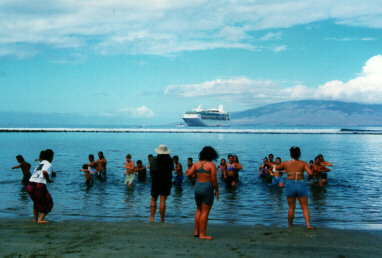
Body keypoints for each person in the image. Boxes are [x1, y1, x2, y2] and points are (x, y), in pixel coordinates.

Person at [273, 146, 314, 229]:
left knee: (291, 208)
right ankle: (308, 225)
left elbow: (275, 168)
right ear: (299, 154)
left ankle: (290, 225)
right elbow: (310, 173)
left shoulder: (286, 163)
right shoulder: (303, 163)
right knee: (305, 207)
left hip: (290, 184)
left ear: (291, 154)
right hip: (301, 184)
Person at [186, 146, 219, 240]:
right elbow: (214, 179)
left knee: (198, 210)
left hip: (197, 187)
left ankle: (196, 232)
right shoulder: (211, 165)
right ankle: (203, 234)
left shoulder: (196, 164)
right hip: (207, 188)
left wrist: (192, 181)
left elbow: (188, 174)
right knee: (205, 212)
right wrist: (217, 190)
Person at [27, 149, 54, 223]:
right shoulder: (48, 164)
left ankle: (35, 220)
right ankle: (41, 219)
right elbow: (44, 171)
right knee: (49, 202)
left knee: (36, 202)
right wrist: (48, 180)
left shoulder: (40, 164)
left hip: (29, 185)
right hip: (38, 186)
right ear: (51, 157)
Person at [149, 144, 174, 222]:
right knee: (162, 201)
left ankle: (152, 217)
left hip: (156, 181)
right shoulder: (170, 160)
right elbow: (172, 170)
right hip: (166, 181)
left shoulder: (153, 159)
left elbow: (151, 172)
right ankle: (162, 218)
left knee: (153, 200)